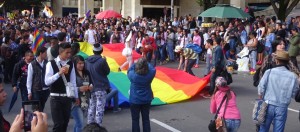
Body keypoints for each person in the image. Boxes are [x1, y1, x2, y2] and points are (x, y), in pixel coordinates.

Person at [258, 51, 299, 132]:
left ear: (277, 61)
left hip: (268, 104)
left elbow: (261, 89)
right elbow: (294, 93)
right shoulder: (292, 76)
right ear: (288, 62)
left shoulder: (269, 72)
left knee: (263, 129)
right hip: (282, 106)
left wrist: (261, 99)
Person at [45, 42, 79, 132]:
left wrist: (76, 96)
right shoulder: (51, 64)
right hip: (55, 97)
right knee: (58, 124)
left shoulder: (70, 64)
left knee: (65, 123)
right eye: (67, 52)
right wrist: (58, 74)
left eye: (70, 52)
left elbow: (73, 81)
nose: (69, 55)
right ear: (60, 52)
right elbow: (47, 81)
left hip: (67, 97)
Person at [128, 58, 156, 132]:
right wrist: (146, 63)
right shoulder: (150, 75)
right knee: (146, 119)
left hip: (135, 100)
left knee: (135, 120)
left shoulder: (133, 75)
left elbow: (129, 70)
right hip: (146, 99)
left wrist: (135, 63)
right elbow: (152, 68)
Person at [85, 43, 110, 126]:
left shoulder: (87, 60)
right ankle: (98, 127)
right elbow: (107, 72)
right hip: (101, 87)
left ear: (93, 51)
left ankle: (89, 126)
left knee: (91, 107)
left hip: (91, 87)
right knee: (99, 109)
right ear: (101, 51)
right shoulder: (102, 61)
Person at [71, 55, 93, 132]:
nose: (81, 65)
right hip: (75, 101)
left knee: (78, 122)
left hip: (85, 100)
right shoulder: (71, 74)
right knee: (80, 123)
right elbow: (69, 87)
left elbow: (91, 83)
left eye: (82, 63)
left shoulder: (86, 72)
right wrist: (78, 89)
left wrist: (90, 86)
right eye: (79, 63)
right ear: (75, 64)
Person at [27, 46, 50, 112]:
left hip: (46, 89)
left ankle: (39, 119)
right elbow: (29, 79)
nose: (46, 54)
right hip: (36, 89)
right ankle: (36, 120)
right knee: (36, 107)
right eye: (45, 53)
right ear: (40, 53)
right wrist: (29, 91)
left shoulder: (47, 63)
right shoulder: (32, 64)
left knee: (42, 106)